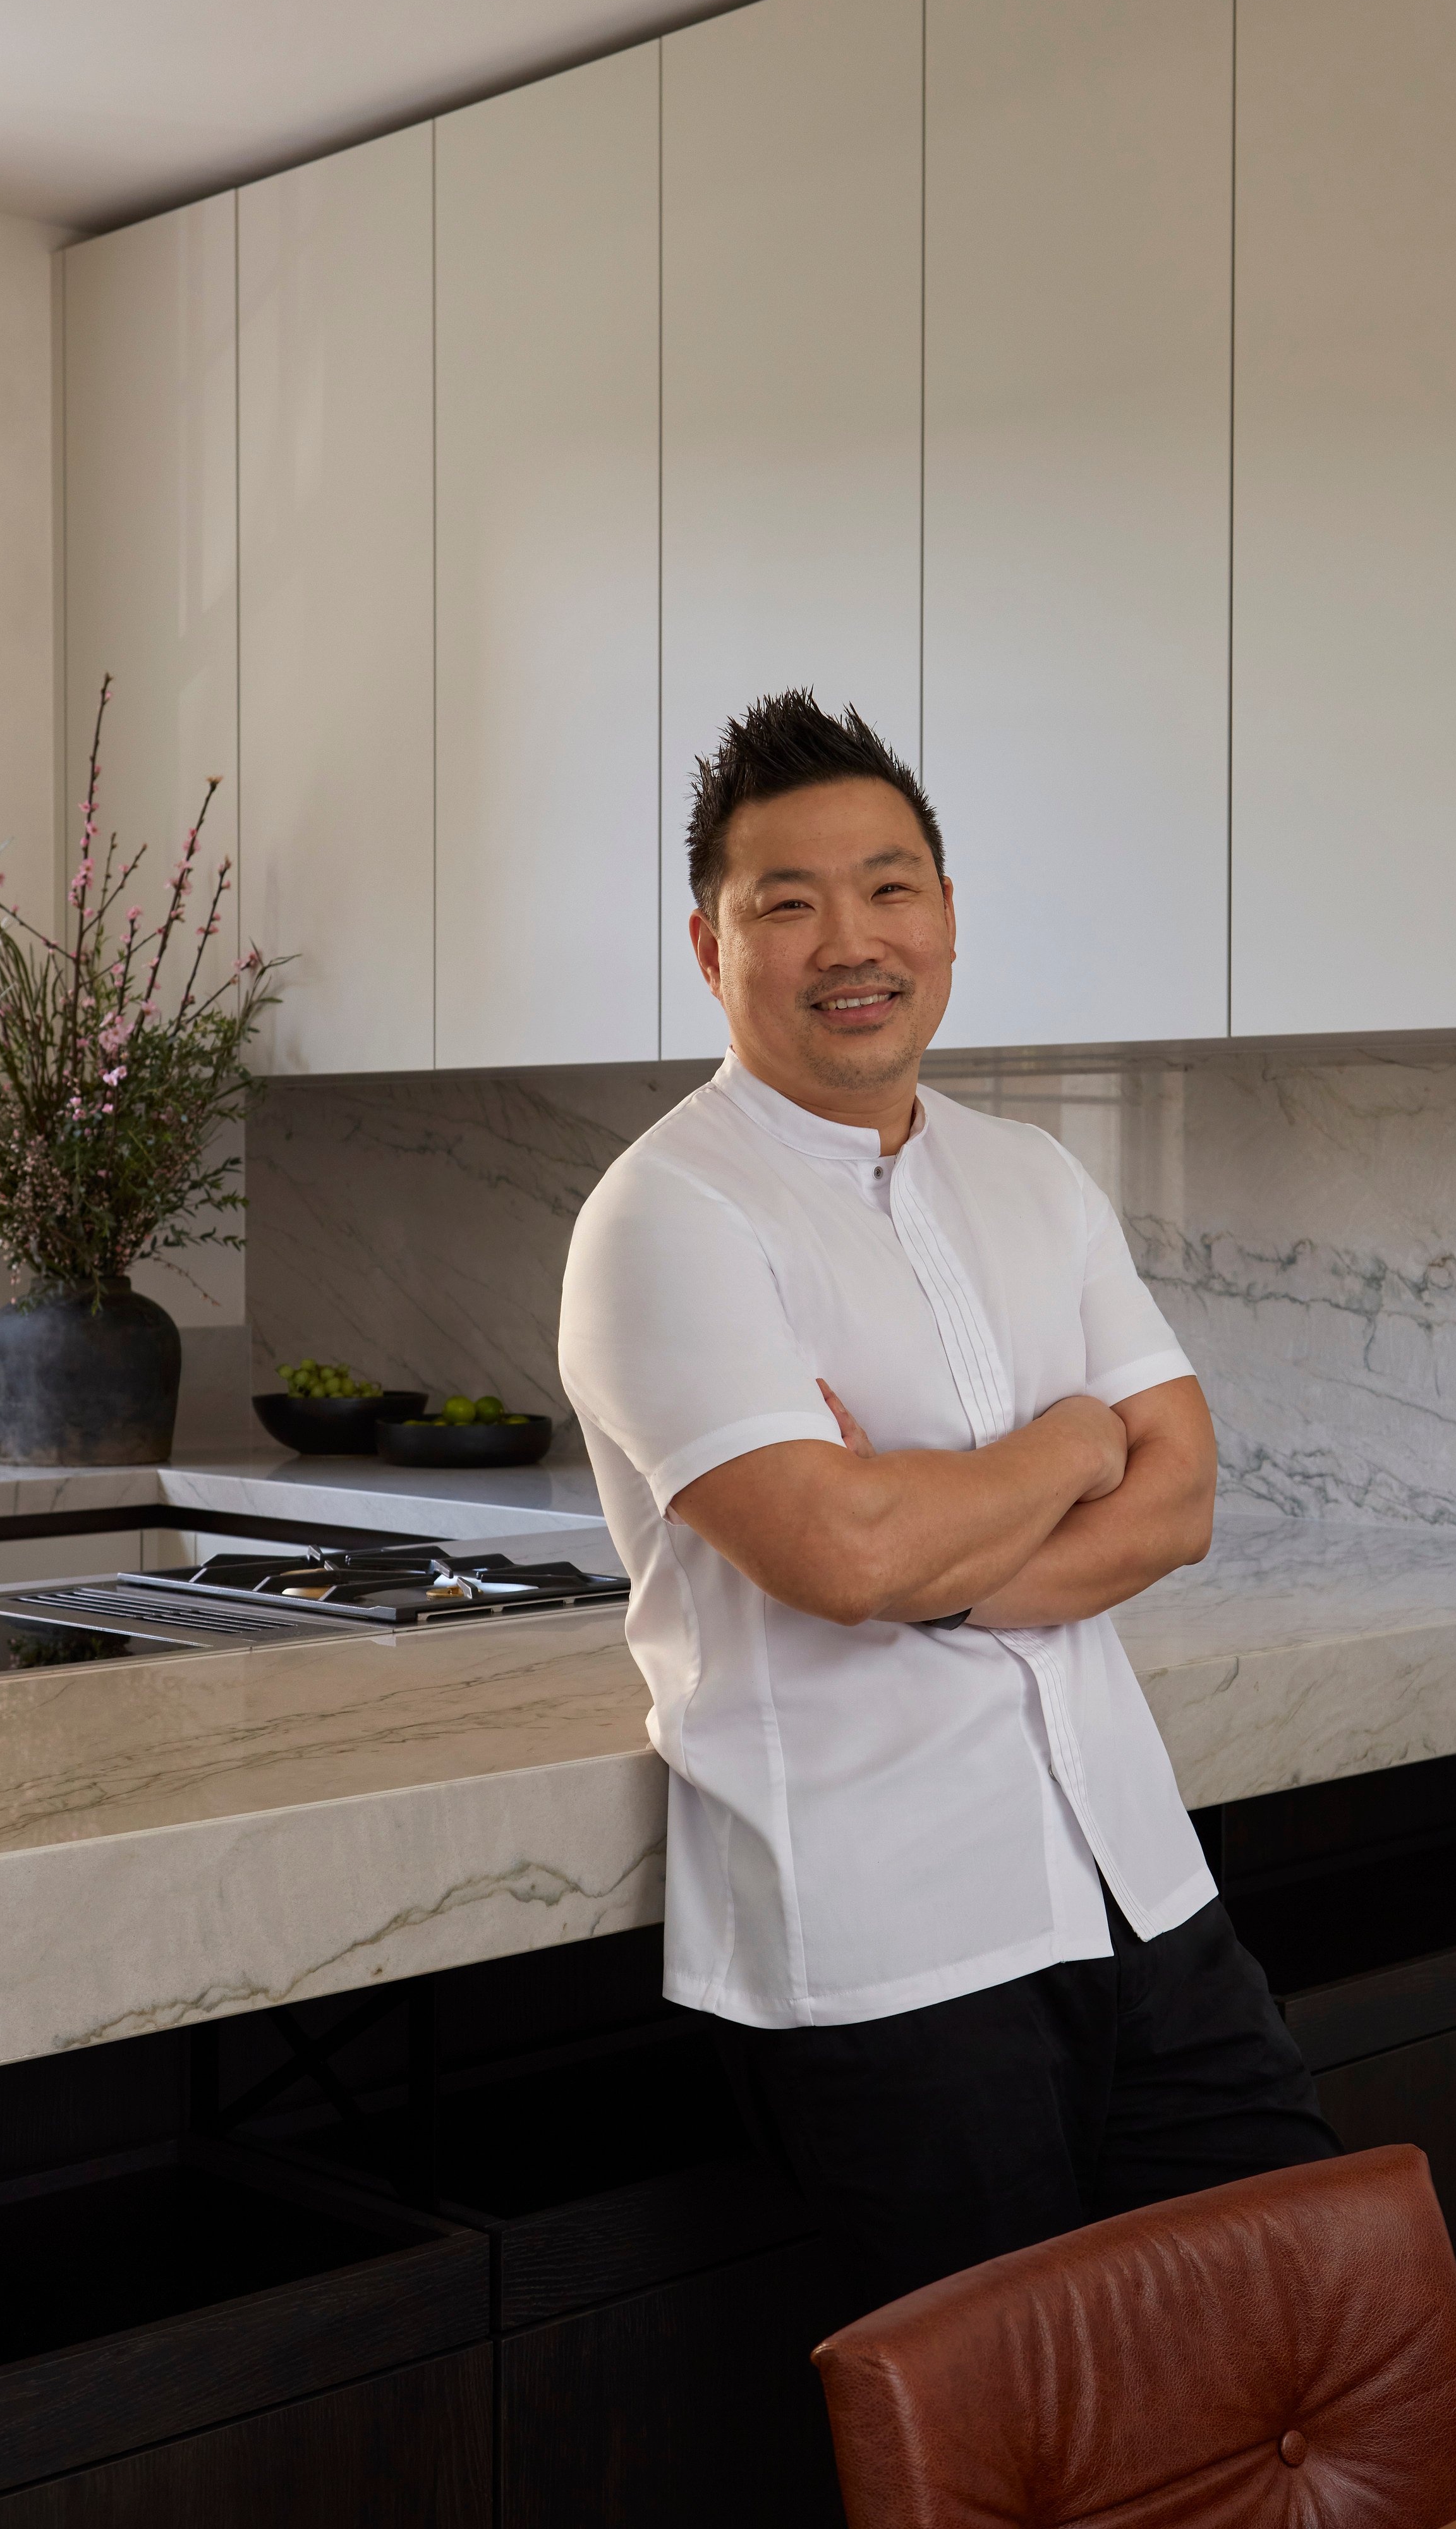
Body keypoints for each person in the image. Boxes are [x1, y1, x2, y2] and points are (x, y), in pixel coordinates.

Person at [559, 689, 1338, 2308]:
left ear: (947, 914)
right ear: (709, 948)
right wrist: (1064, 1445)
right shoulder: (665, 1216)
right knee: (1018, 2449)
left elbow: (1181, 1491)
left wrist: (935, 1532)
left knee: (1292, 2341)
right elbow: (840, 1552)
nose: (849, 936)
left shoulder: (1032, 1176)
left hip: (1140, 1889)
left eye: (888, 884)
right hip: (890, 1954)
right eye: (785, 901)